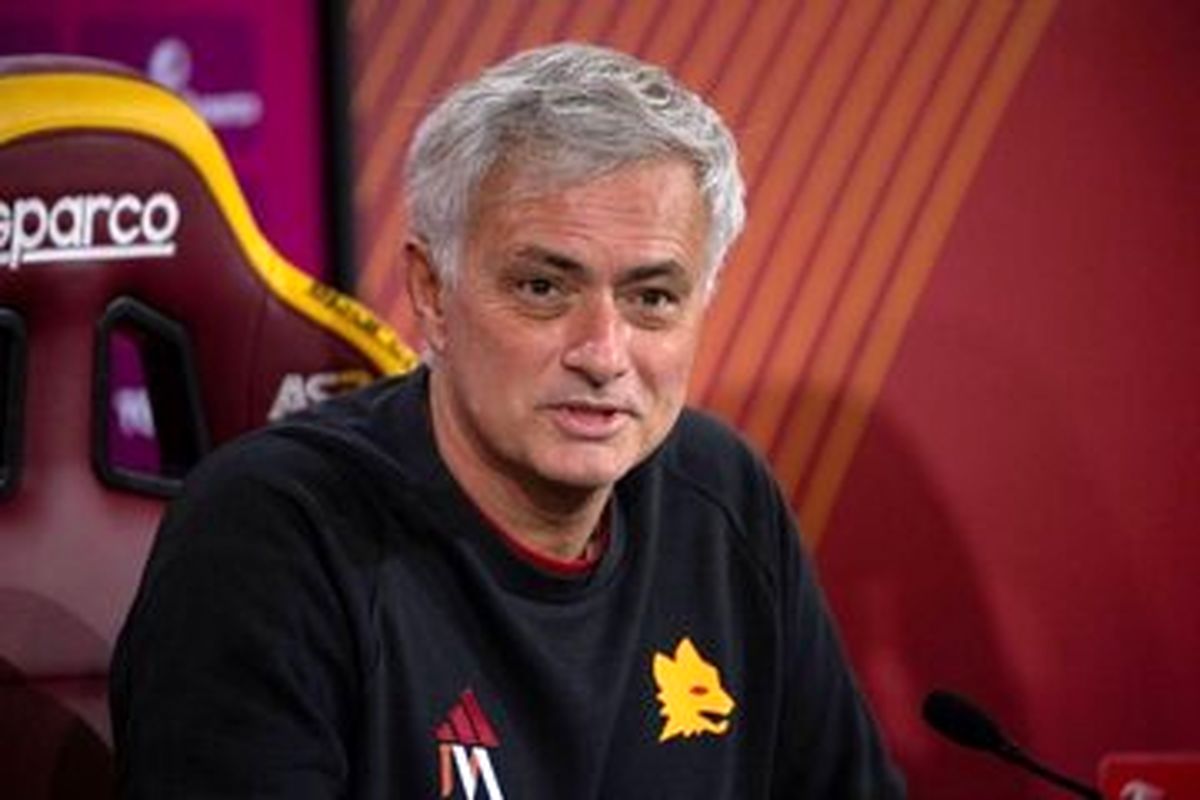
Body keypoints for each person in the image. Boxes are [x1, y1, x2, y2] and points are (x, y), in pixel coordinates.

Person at [110, 42, 904, 798]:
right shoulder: (273, 536)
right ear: (432, 292)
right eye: (543, 289)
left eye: (652, 298)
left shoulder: (721, 497)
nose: (603, 353)